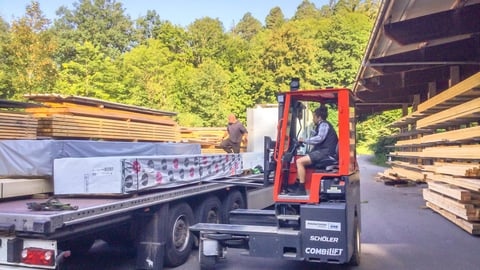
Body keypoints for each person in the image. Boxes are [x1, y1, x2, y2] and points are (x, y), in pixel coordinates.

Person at [289, 105, 338, 196]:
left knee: (299, 161)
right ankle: (296, 184)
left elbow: (319, 138)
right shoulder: (321, 125)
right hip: (324, 152)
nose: (313, 120)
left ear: (319, 117)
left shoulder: (324, 124)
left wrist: (304, 140)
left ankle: (301, 189)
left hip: (326, 153)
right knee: (302, 162)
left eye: (314, 117)